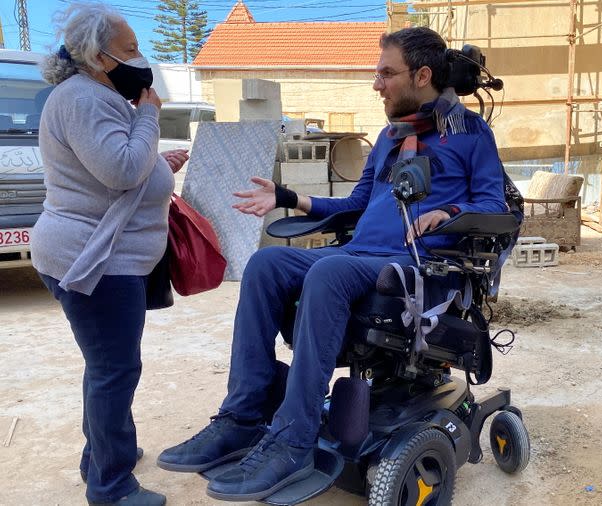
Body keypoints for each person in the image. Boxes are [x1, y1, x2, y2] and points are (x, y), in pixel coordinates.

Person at [157, 26, 507, 501]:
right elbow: (359, 202)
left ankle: (293, 440)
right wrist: (288, 197)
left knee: (328, 271)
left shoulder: (471, 135)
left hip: (422, 268)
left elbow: (497, 209)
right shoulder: (390, 136)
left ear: (422, 75)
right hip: (360, 255)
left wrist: (451, 213)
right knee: (266, 266)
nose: (376, 84)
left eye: (386, 73)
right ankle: (243, 416)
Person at [31, 3, 188, 505]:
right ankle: (112, 487)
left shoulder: (92, 94)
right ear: (99, 58)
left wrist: (156, 161)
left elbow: (111, 162)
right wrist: (148, 117)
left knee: (107, 366)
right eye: (130, 50)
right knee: (114, 370)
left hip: (101, 257)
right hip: (95, 262)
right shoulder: (84, 98)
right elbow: (121, 169)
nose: (140, 59)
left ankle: (100, 457)